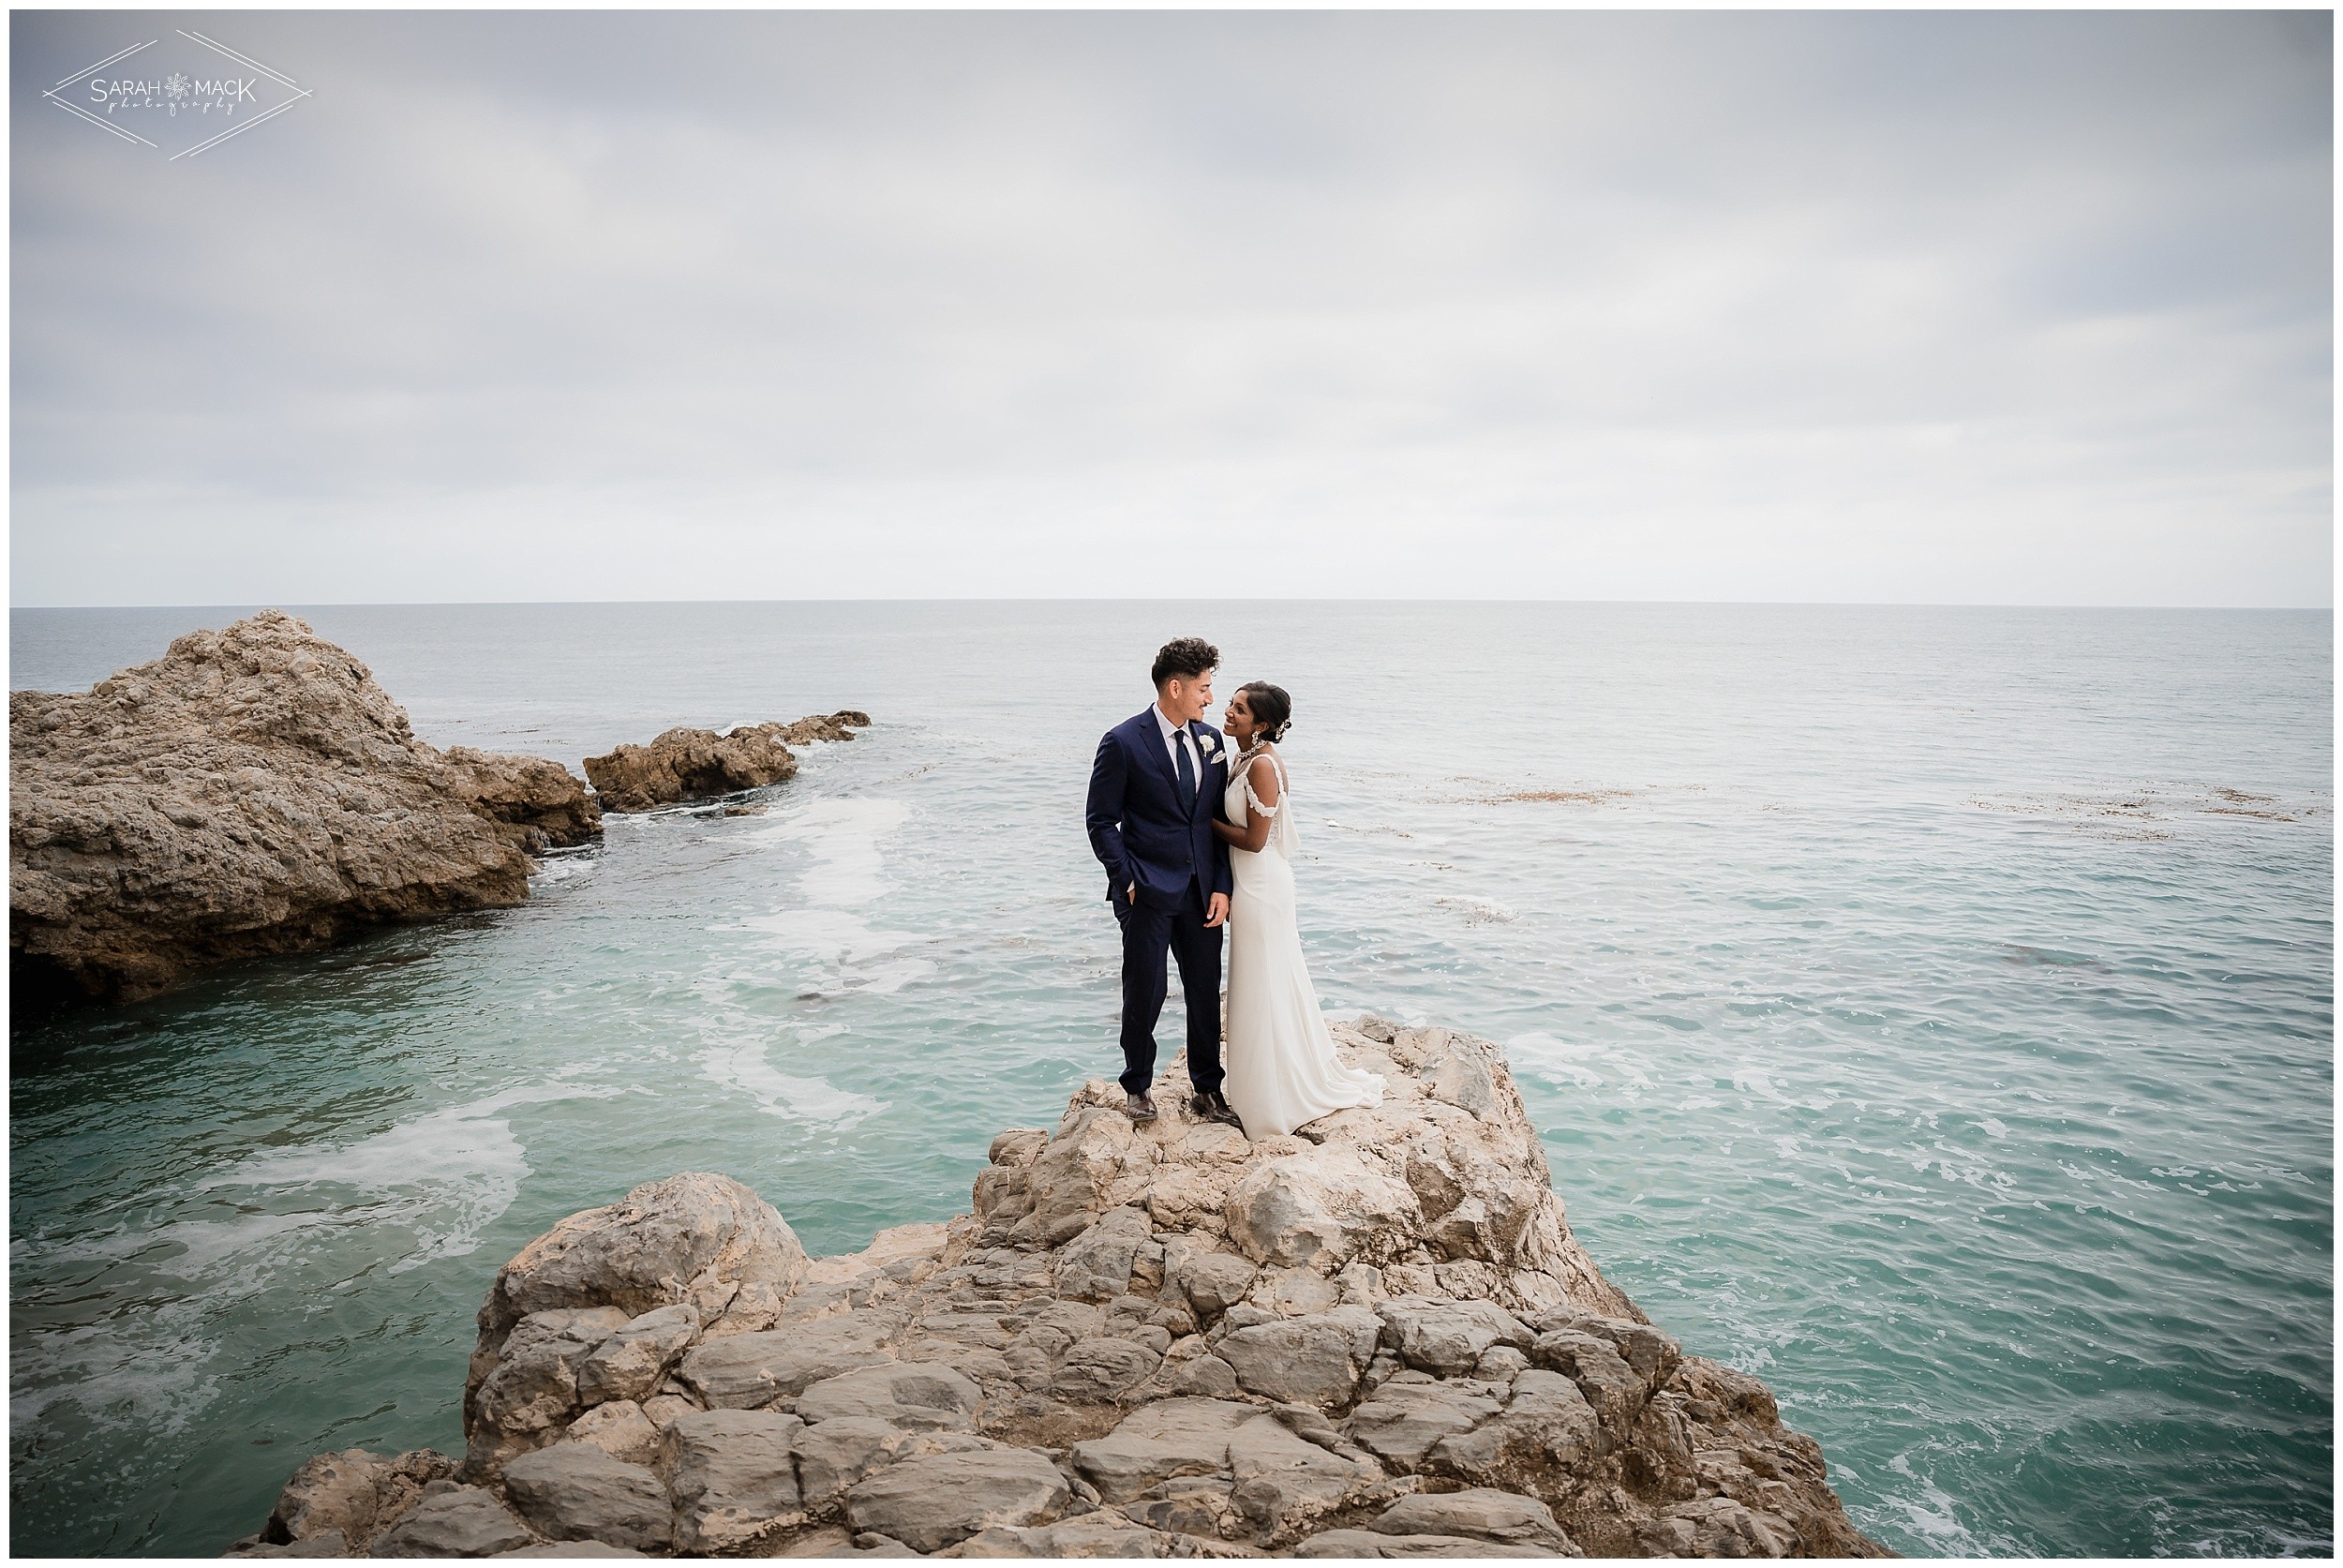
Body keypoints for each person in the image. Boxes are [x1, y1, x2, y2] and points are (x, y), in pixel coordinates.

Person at [1211, 680, 1384, 1139]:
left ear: (1263, 724)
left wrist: (1200, 823)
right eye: (1230, 702)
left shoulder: (1263, 766)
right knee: (1258, 982)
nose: (1228, 711)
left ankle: (1275, 1094)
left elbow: (1255, 839)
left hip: (1263, 886)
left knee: (1265, 983)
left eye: (1240, 709)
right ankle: (1258, 1084)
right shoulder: (1243, 757)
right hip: (1250, 883)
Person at [1083, 637, 1243, 1127]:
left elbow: (1212, 819)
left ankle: (1208, 1090)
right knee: (1145, 990)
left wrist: (1222, 885)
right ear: (1176, 687)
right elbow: (1100, 820)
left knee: (1203, 990)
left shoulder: (1211, 741)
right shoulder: (1123, 741)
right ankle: (1138, 1085)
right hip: (1146, 892)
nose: (1211, 699)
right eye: (1205, 688)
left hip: (1201, 894)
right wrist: (1126, 878)